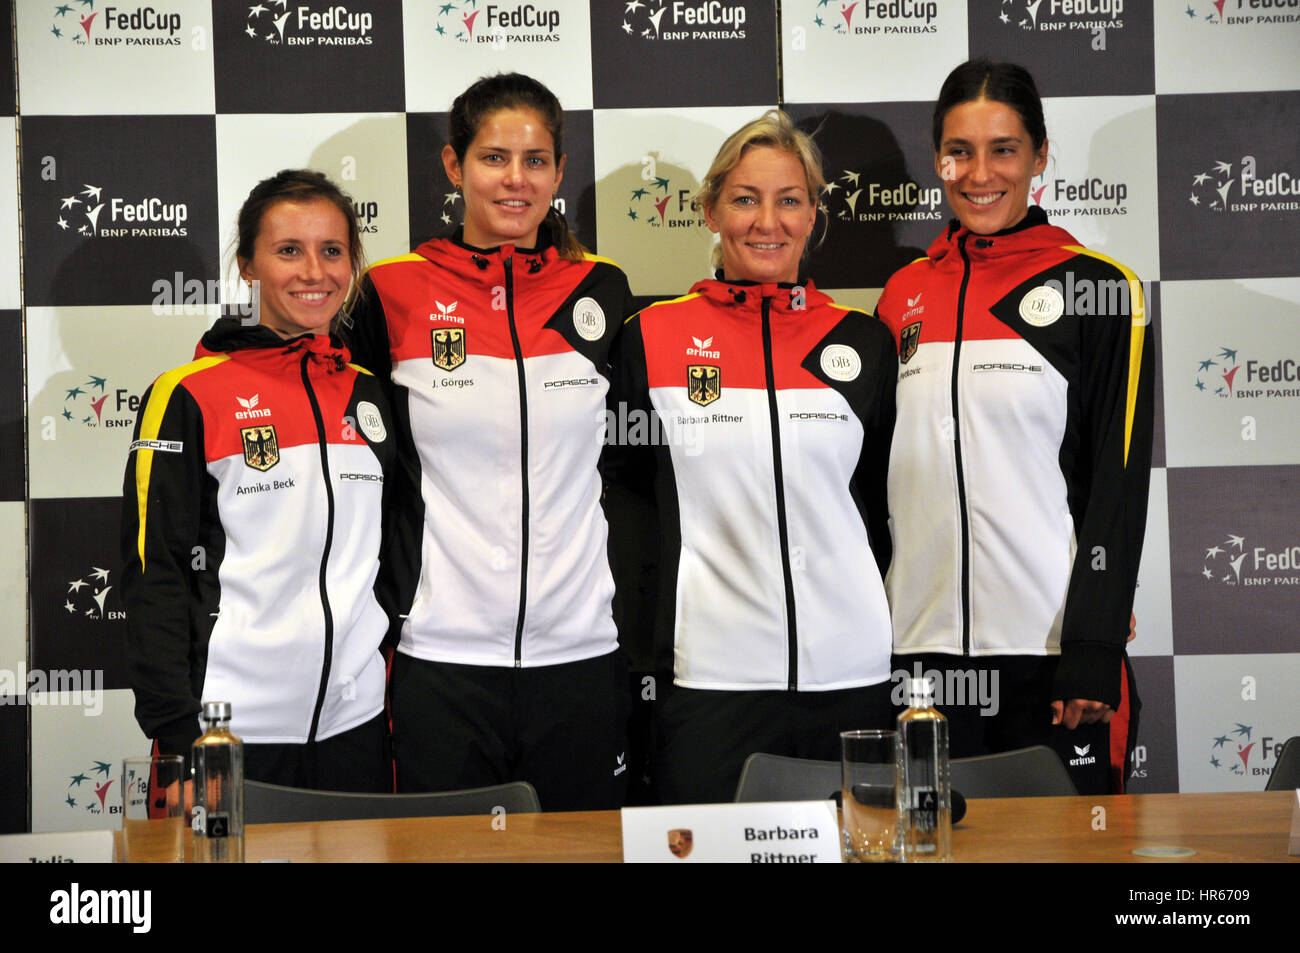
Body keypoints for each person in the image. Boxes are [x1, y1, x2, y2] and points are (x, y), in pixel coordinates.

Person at [345, 73, 634, 811]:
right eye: (494, 158)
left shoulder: (600, 289)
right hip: (442, 660)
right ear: (454, 166)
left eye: (536, 160)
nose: (516, 179)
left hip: (580, 655)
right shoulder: (392, 289)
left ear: (560, 172)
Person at [874, 60, 1152, 788]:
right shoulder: (902, 295)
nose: (978, 173)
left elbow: (1116, 489)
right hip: (918, 657)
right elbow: (876, 485)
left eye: (1003, 149)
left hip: (1050, 656)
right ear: (937, 157)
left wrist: (1091, 648)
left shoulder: (1097, 287)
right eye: (958, 150)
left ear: (1039, 156)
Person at [613, 110, 898, 804]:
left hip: (851, 675)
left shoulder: (865, 343)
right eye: (744, 198)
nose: (767, 221)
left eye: (789, 199)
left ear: (813, 213)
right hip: (711, 680)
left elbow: (885, 506)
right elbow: (626, 506)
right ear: (710, 209)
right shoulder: (648, 337)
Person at [122, 169, 395, 792]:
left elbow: (391, 550)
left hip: (357, 725)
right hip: (230, 731)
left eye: (332, 251)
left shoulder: (368, 391)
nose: (313, 272)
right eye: (288, 251)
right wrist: (178, 734)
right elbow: (153, 573)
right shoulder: (187, 394)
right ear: (247, 265)